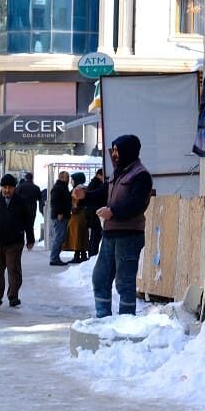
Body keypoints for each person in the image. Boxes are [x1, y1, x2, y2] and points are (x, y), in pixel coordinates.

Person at [93, 134, 154, 317]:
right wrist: (84, 196)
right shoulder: (117, 173)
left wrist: (113, 212)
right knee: (100, 278)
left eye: (117, 150)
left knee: (124, 282)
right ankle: (103, 319)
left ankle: (126, 320)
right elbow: (103, 193)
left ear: (128, 151)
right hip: (110, 234)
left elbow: (136, 204)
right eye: (113, 150)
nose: (114, 154)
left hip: (129, 236)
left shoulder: (141, 175)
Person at [0, 174, 35, 308]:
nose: (7, 190)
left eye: (10, 187)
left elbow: (28, 221)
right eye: (5, 187)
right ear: (1, 187)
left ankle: (13, 295)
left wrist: (30, 238)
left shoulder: (21, 201)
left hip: (14, 241)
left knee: (14, 269)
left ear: (15, 188)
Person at [65, 172, 89, 264]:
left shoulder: (77, 190)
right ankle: (82, 255)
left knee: (76, 236)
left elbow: (75, 203)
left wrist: (71, 209)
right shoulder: (84, 188)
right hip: (82, 216)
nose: (71, 181)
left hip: (77, 216)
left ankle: (77, 255)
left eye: (72, 180)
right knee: (82, 236)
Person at [48, 171, 71, 265]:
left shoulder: (63, 187)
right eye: (67, 177)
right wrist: (60, 212)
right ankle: (54, 258)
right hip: (59, 216)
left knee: (61, 237)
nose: (68, 179)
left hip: (63, 215)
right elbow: (55, 202)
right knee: (59, 237)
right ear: (61, 177)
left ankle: (55, 257)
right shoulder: (58, 188)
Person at [14, 172, 43, 243]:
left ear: (25, 178)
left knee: (20, 225)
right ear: (32, 178)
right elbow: (40, 199)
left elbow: (15, 197)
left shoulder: (20, 187)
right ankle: (30, 242)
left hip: (21, 209)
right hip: (32, 209)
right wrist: (41, 210)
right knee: (30, 226)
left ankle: (20, 241)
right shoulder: (36, 188)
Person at [85, 167, 107, 256]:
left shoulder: (93, 183)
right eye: (103, 175)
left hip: (92, 213)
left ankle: (91, 253)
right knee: (96, 236)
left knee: (94, 235)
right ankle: (92, 254)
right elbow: (97, 199)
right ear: (99, 175)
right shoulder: (96, 184)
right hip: (95, 214)